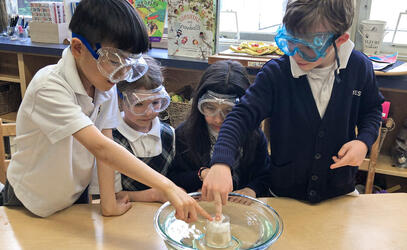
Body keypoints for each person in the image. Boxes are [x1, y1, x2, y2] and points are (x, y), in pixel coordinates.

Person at [0, 0, 211, 223]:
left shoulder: (104, 84)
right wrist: (167, 186)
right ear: (78, 48)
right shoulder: (48, 86)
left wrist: (108, 204)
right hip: (30, 200)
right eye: (114, 60)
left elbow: (106, 139)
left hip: (72, 194)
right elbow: (101, 148)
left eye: (129, 62)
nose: (123, 72)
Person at [203, 0, 384, 219]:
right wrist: (221, 162)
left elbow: (372, 110)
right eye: (290, 42)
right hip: (284, 194)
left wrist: (363, 141)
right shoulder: (276, 74)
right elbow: (240, 118)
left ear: (340, 40)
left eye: (309, 47)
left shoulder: (359, 67)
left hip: (339, 193)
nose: (296, 54)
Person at [167, 60, 271, 200]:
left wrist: (251, 189)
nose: (218, 119)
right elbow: (174, 177)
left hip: (239, 209)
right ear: (198, 104)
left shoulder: (255, 136)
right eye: (210, 108)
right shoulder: (184, 134)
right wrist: (201, 174)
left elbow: (265, 174)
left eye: (229, 111)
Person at [89, 55, 174, 203]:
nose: (149, 112)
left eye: (156, 102)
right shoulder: (109, 137)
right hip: (123, 216)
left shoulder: (169, 134)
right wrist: (154, 195)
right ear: (120, 101)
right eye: (139, 104)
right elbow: (103, 197)